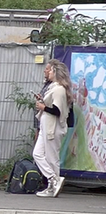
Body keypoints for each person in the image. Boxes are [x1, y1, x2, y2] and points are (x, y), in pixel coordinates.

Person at [33, 60, 72, 198]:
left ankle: (53, 184)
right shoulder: (53, 87)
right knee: (37, 154)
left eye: (49, 70)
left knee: (51, 157)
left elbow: (57, 111)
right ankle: (53, 179)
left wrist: (43, 107)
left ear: (55, 71)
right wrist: (43, 101)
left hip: (53, 127)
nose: (46, 72)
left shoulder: (59, 89)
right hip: (46, 126)